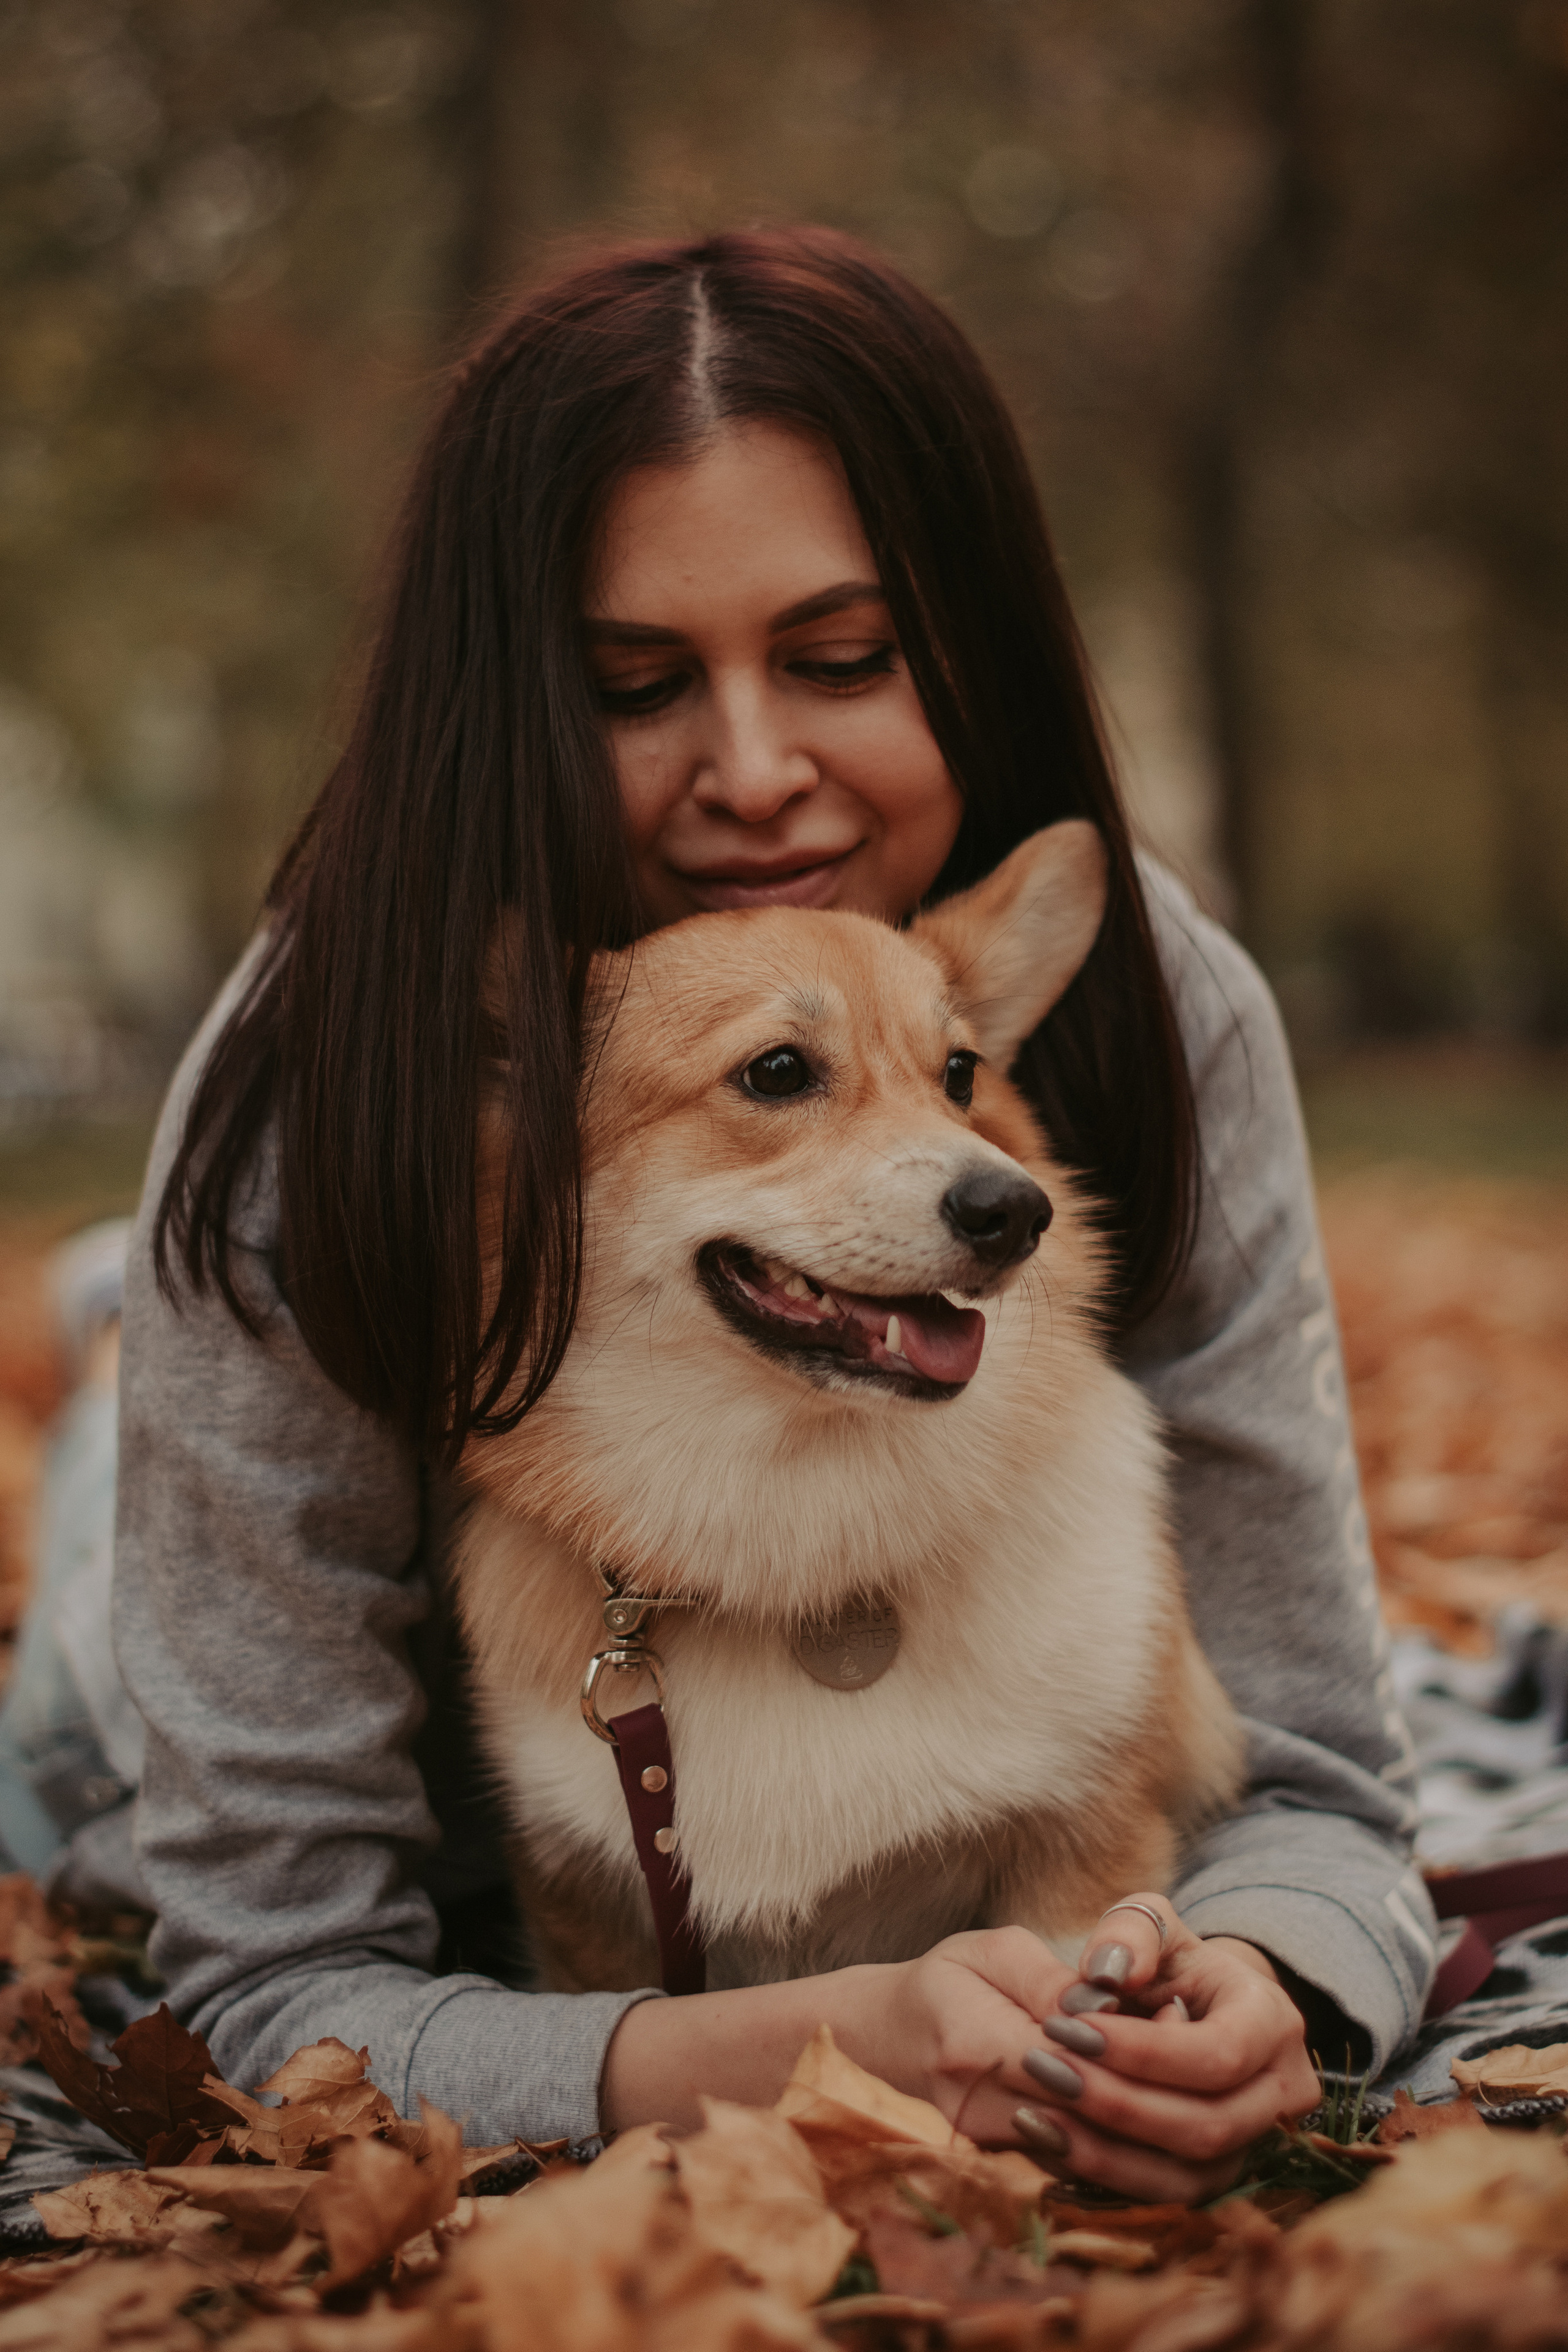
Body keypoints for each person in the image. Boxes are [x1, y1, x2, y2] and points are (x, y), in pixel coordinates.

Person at [105, 229, 1435, 2207]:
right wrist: (797, 2051)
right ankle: (98, 1347)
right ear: (503, 707)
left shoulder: (1170, 1005)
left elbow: (1319, 1778)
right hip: (365, 1677)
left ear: (974, 646)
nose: (756, 775)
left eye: (843, 659)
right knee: (69, 1677)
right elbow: (262, 1969)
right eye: (634, 683)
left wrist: (1268, 1973)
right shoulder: (323, 1094)